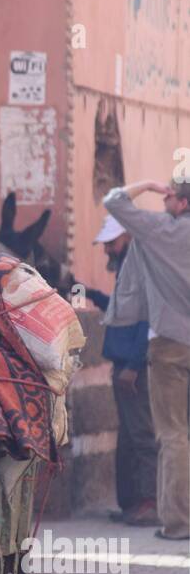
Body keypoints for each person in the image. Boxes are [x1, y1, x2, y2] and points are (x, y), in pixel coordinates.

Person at [103, 177, 190, 542]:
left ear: (182, 203)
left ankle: (179, 522)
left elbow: (115, 202)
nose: (164, 200)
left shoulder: (163, 232)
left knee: (173, 434)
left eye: (170, 195)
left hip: (171, 344)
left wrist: (148, 185)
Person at [88, 215, 157, 525]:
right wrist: (88, 293)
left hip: (134, 368)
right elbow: (120, 310)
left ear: (128, 236)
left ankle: (150, 503)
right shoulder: (127, 269)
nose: (107, 251)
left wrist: (133, 365)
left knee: (142, 435)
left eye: (111, 244)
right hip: (125, 365)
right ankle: (132, 503)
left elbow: (148, 320)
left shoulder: (141, 268)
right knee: (129, 436)